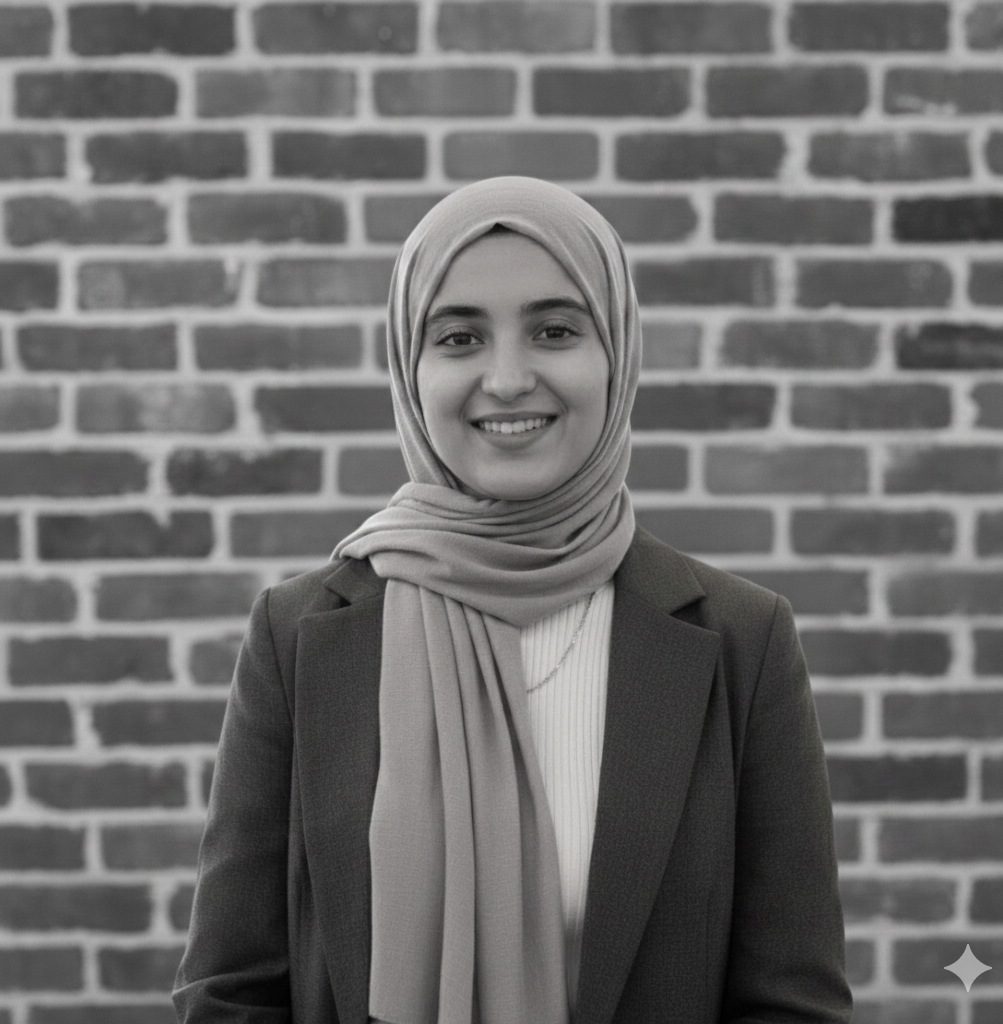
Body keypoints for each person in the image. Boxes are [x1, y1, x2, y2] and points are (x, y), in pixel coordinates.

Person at [172, 176, 852, 1024]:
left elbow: (793, 1003)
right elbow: (231, 993)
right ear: (409, 368)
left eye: (556, 330)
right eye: (458, 336)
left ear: (619, 353)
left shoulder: (743, 642)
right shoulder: (302, 636)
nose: (506, 378)